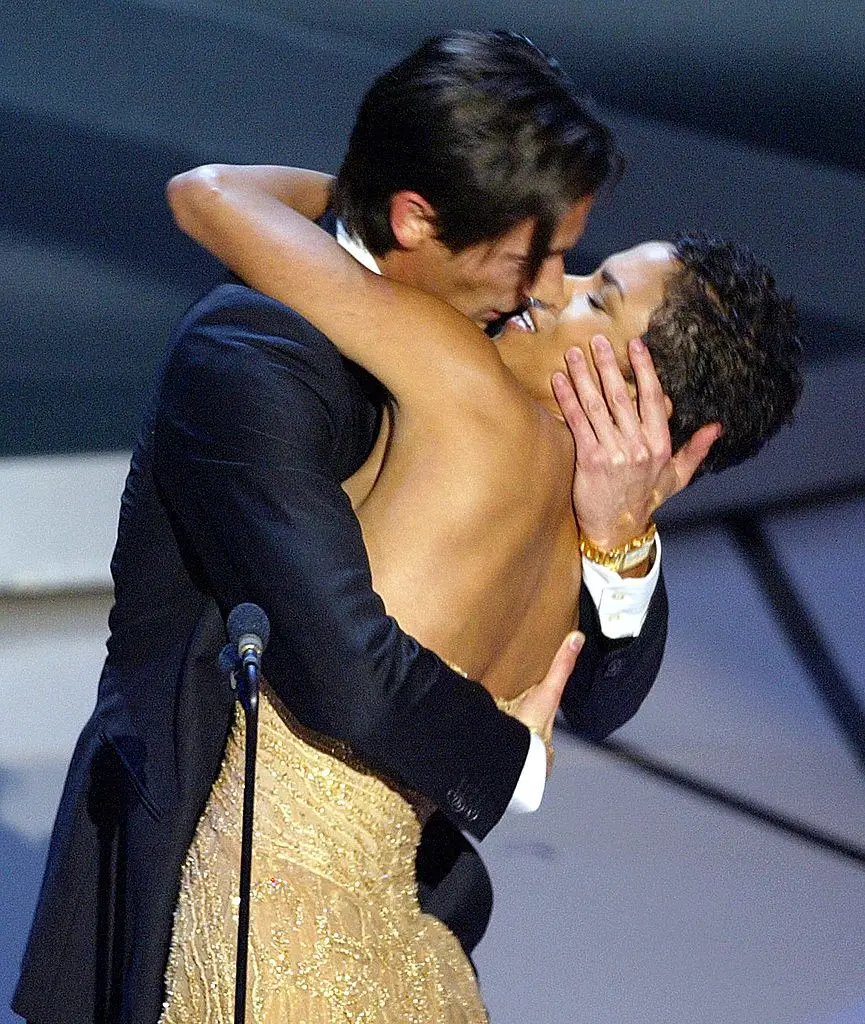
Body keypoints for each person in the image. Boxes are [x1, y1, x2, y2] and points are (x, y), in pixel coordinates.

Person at [13, 31, 678, 1024]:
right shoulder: (252, 356)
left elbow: (600, 695)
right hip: (209, 902)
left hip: (404, 905)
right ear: (418, 217)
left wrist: (620, 535)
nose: (547, 284)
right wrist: (508, 759)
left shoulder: (491, 336)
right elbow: (348, 664)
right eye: (526, 250)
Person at [159, 162, 802, 1021]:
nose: (546, 282)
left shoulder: (459, 380)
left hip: (274, 939)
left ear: (638, 393)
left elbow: (209, 195)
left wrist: (427, 214)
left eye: (595, 296)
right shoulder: (587, 550)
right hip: (421, 965)